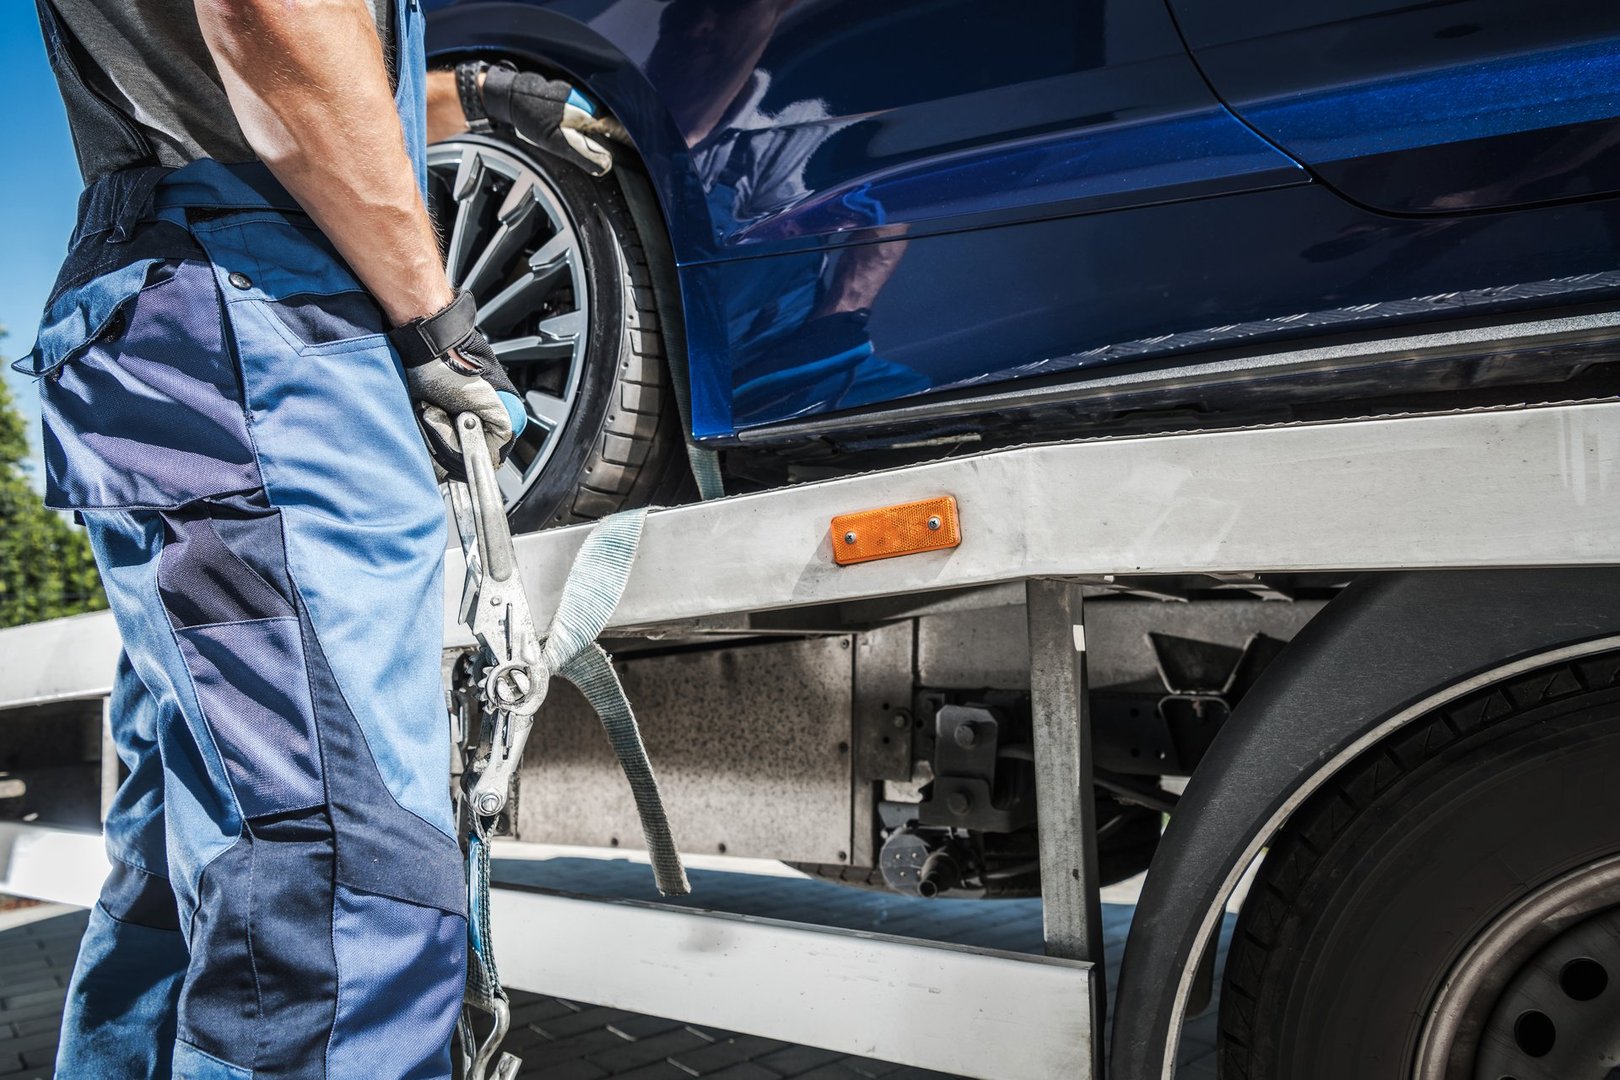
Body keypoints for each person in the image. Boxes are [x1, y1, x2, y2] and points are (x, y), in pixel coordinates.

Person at [16, 2, 613, 1076]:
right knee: (341, 877)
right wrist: (432, 314)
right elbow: (268, 20)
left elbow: (290, 78)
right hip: (267, 315)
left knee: (186, 859)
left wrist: (473, 94)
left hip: (159, 289)